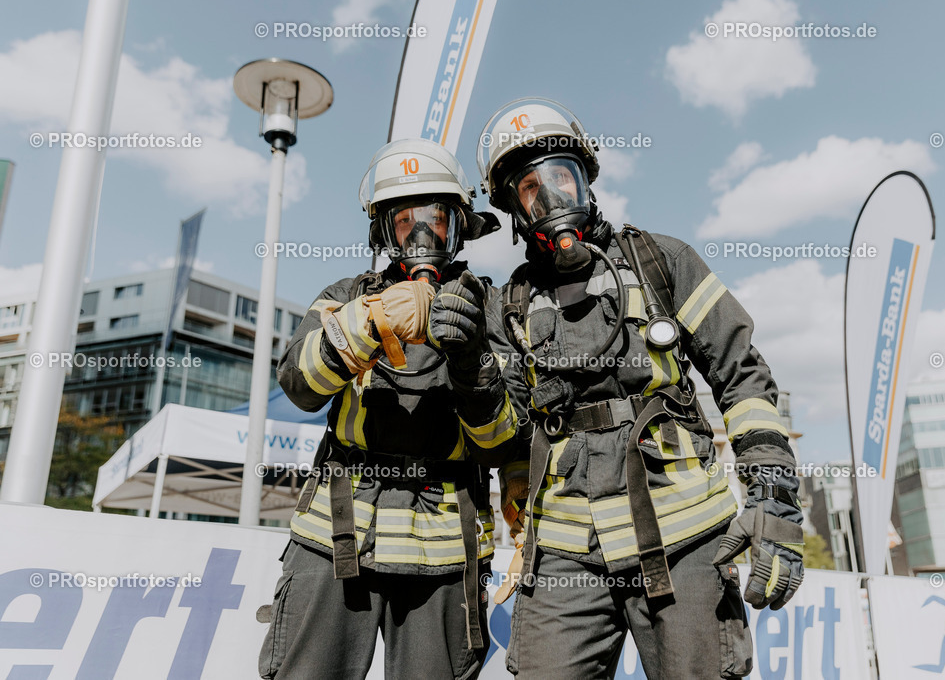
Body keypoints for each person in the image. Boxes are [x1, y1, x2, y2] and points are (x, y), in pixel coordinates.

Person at [477, 99, 805, 678]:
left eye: (561, 176)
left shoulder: (661, 262)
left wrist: (774, 498)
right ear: (513, 209)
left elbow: (744, 377)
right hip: (565, 552)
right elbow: (504, 434)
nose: (550, 195)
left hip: (685, 536)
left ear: (585, 179)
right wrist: (470, 373)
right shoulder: (509, 305)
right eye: (529, 187)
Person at [258, 138, 518, 680]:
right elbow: (298, 385)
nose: (421, 236)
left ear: (459, 226)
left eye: (436, 219)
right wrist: (366, 324)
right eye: (405, 222)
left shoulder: (492, 312)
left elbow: (502, 442)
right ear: (384, 232)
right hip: (334, 539)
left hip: (445, 552)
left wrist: (471, 359)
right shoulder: (346, 295)